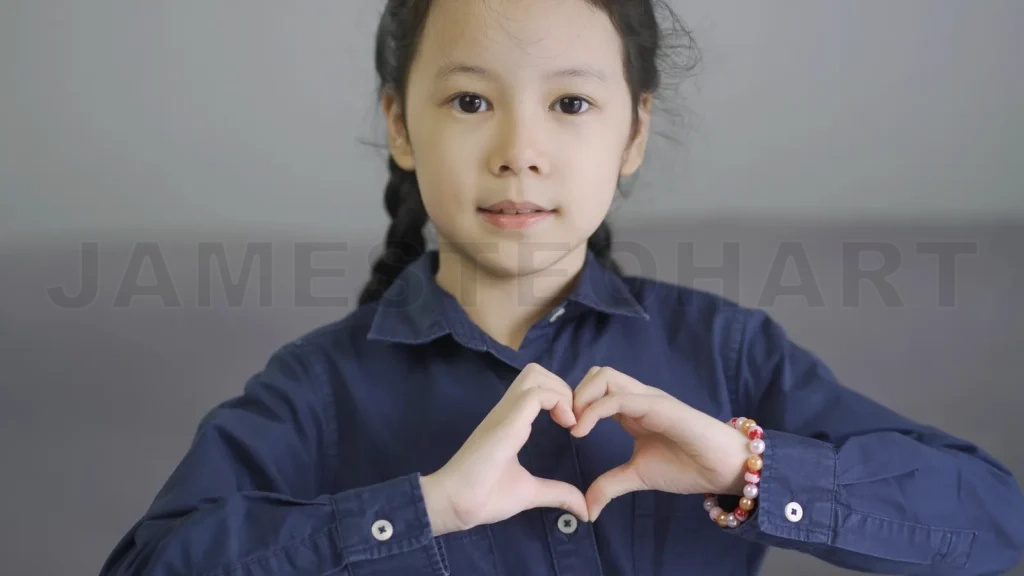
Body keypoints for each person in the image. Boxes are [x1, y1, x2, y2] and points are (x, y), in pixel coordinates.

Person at [99, 0, 1024, 574]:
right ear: (401, 125)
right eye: (470, 101)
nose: (519, 152)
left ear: (633, 134)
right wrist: (421, 512)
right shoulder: (317, 389)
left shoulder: (727, 353)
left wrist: (750, 470)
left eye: (571, 104)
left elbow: (995, 527)